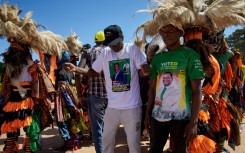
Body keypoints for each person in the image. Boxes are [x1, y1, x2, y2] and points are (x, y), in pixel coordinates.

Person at [64, 24, 150, 153]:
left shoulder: (132, 49)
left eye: (115, 43)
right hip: (112, 107)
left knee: (133, 143)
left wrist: (146, 70)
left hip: (132, 107)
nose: (113, 47)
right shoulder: (105, 52)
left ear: (122, 37)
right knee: (106, 140)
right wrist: (76, 68)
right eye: (110, 43)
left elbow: (143, 71)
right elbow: (93, 71)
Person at [145, 24, 204, 153]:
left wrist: (193, 123)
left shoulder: (190, 55)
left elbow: (197, 91)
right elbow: (152, 88)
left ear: (180, 33)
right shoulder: (158, 58)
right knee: (154, 150)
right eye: (163, 32)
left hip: (181, 119)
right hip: (158, 116)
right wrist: (148, 113)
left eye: (171, 31)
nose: (166, 34)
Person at [76, 31, 108, 153]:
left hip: (95, 96)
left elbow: (78, 73)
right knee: (108, 128)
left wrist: (79, 94)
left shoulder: (88, 52)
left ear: (95, 41)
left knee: (97, 129)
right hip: (112, 96)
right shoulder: (110, 51)